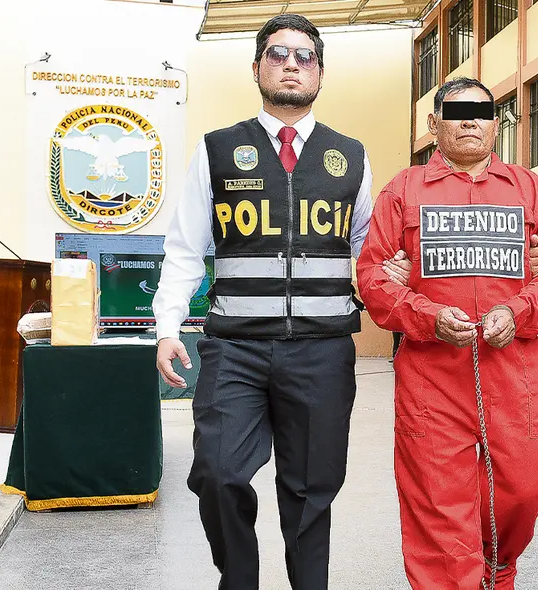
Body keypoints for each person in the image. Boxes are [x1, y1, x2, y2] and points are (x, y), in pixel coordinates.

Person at [152, 14, 390, 589]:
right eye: (278, 54)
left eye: (304, 57)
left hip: (322, 351)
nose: (291, 65)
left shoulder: (350, 156)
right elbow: (185, 247)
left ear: (320, 74)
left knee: (311, 489)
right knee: (217, 472)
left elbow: (369, 249)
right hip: (235, 349)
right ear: (257, 67)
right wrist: (167, 326)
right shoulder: (217, 150)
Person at [356, 77, 538, 589]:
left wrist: (519, 311)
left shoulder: (530, 190)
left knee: (526, 482)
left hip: (516, 371)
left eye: (482, 111)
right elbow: (373, 278)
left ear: (496, 124)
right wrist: (428, 316)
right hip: (432, 378)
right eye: (457, 113)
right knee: (439, 502)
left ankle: (496, 567)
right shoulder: (403, 191)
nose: (470, 121)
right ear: (434, 124)